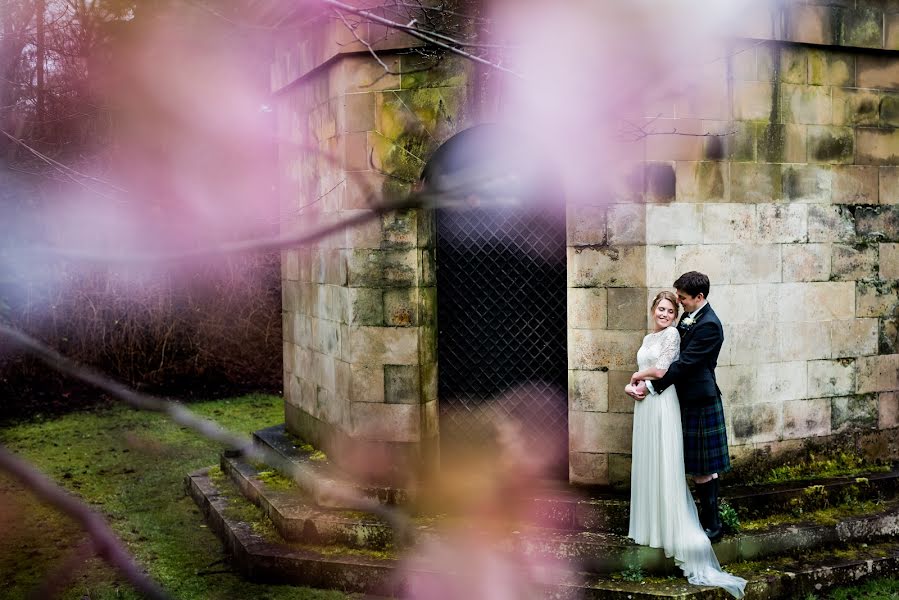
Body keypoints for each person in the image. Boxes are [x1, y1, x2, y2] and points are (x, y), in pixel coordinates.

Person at [624, 288, 745, 598]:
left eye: (673, 306)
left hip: (668, 399)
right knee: (654, 460)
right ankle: (651, 525)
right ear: (653, 310)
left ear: (693, 298)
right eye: (661, 308)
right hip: (648, 400)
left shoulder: (692, 329)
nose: (666, 313)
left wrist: (641, 378)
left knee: (680, 463)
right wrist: (634, 384)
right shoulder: (655, 335)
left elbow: (667, 369)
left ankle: (710, 524)